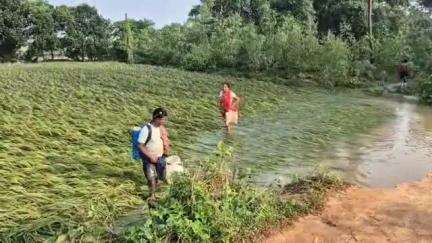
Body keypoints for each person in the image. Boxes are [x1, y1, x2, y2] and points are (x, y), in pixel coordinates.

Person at [138, 107, 168, 200]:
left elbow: (165, 141)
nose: (164, 121)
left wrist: (166, 152)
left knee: (160, 177)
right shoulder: (146, 129)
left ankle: (157, 192)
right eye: (162, 119)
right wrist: (150, 156)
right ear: (156, 118)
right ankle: (152, 197)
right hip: (149, 159)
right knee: (151, 178)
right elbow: (140, 145)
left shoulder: (161, 128)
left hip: (160, 158)